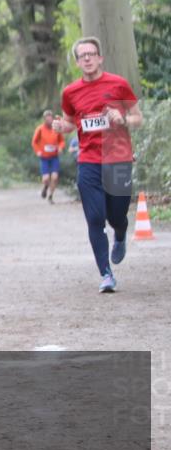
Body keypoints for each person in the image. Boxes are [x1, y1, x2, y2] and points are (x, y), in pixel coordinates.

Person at [52, 36, 143, 293]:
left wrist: (122, 117)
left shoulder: (119, 85)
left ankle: (121, 234)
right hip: (89, 160)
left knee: (117, 216)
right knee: (95, 217)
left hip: (118, 159)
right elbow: (71, 123)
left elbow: (139, 118)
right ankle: (106, 274)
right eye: (83, 56)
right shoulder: (70, 92)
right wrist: (61, 127)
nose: (88, 58)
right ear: (78, 61)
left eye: (92, 54)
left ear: (100, 57)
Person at [31, 109, 65, 203]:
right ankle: (45, 187)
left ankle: (51, 196)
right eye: (47, 119)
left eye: (50, 118)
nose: (49, 120)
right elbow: (34, 142)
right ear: (44, 119)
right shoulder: (40, 129)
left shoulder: (56, 128)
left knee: (54, 177)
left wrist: (60, 148)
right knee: (46, 179)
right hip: (44, 157)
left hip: (54, 157)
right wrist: (38, 151)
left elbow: (61, 141)